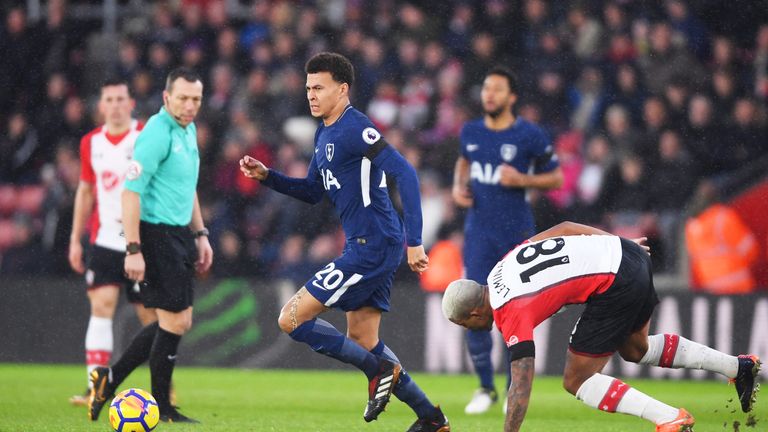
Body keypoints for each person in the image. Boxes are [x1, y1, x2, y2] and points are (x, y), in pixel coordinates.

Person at [239, 52, 449, 432]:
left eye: (319, 87)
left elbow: (406, 173)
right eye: (308, 88)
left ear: (343, 89)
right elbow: (312, 191)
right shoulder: (325, 133)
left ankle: (379, 371)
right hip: (366, 244)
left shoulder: (356, 128)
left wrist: (415, 241)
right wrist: (268, 176)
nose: (311, 95)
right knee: (362, 338)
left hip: (374, 245)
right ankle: (430, 418)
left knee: (290, 318)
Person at [442, 221, 761, 432]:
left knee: (575, 378)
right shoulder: (503, 264)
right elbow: (565, 227)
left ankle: (669, 419)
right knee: (637, 349)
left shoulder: (508, 311)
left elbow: (521, 383)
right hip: (628, 255)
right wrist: (616, 243)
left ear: (472, 313)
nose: (467, 330)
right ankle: (738, 367)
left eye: (462, 324)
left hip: (615, 280)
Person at [88, 67, 213, 423]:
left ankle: (107, 380)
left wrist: (201, 235)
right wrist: (134, 248)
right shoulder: (156, 134)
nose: (190, 105)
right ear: (166, 97)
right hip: (156, 234)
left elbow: (187, 188)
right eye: (184, 98)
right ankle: (163, 406)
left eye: (196, 99)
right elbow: (131, 194)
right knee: (174, 322)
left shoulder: (188, 131)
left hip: (179, 235)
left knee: (176, 320)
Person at [451, 66, 563, 414]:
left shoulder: (529, 135)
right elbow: (463, 162)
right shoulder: (470, 131)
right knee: (473, 305)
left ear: (511, 97)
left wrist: (523, 181)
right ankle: (485, 387)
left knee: (515, 310)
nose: (489, 95)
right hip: (479, 235)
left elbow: (556, 177)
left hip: (516, 235)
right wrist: (458, 187)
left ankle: (512, 383)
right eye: (486, 88)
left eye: (497, 89)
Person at [68, 78, 157, 406]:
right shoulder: (91, 143)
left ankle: (162, 386)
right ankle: (96, 385)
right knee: (101, 307)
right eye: (110, 99)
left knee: (151, 317)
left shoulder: (145, 136)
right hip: (105, 237)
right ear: (101, 105)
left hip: (141, 238)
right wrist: (76, 239)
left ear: (131, 103)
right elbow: (86, 190)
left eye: (121, 98)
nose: (116, 104)